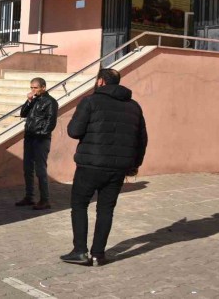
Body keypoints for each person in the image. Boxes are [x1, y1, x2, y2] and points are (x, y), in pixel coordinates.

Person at [61, 68, 148, 266]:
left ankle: (80, 251)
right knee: (106, 210)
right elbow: (142, 139)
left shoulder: (90, 101)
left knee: (79, 205)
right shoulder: (134, 106)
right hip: (118, 168)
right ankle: (98, 255)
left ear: (101, 81)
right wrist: (135, 164)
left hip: (90, 165)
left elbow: (74, 131)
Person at [16, 77, 59, 210]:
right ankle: (29, 197)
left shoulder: (50, 102)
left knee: (40, 170)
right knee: (27, 168)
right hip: (29, 138)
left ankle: (45, 200)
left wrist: (40, 134)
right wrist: (28, 101)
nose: (33, 90)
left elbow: (51, 122)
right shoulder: (33, 100)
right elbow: (23, 113)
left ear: (43, 87)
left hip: (41, 139)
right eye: (31, 88)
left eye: (35, 87)